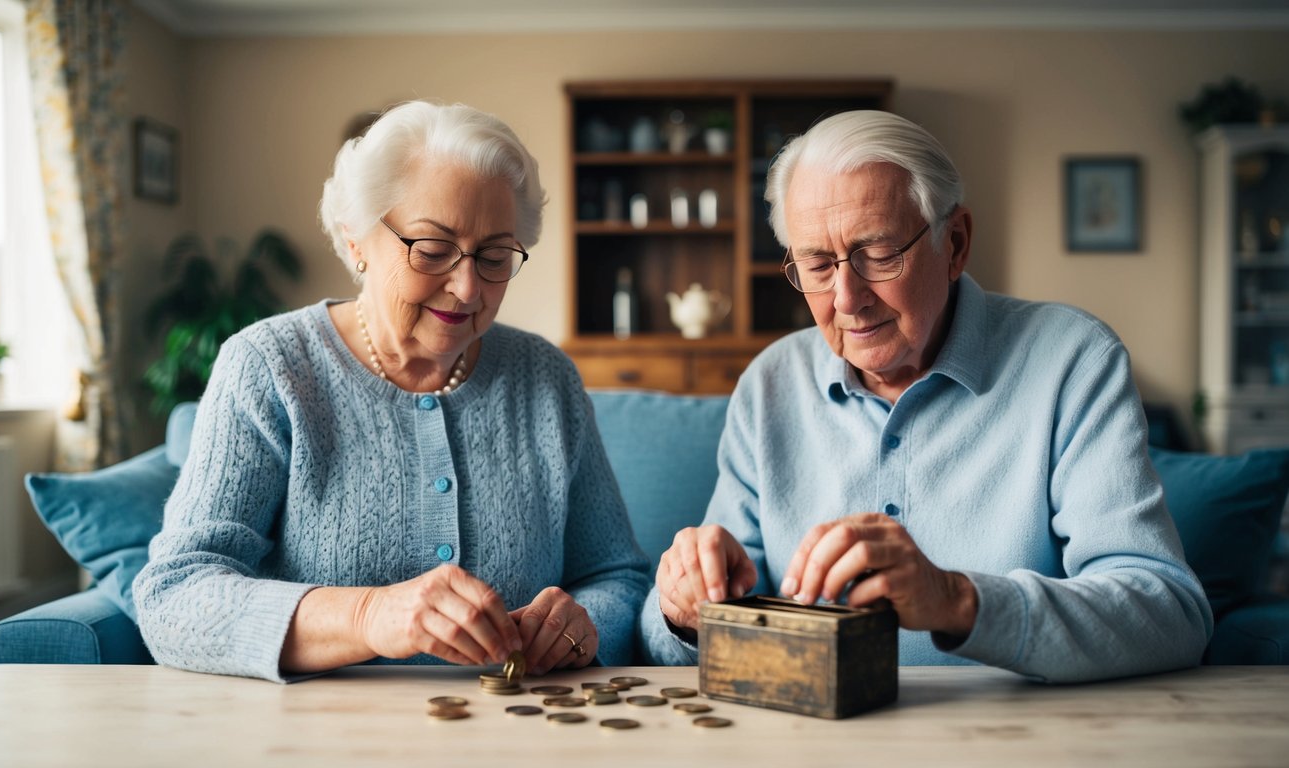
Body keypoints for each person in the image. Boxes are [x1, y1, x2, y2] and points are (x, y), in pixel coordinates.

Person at [640, 110, 1212, 683]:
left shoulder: (1074, 360)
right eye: (816, 264)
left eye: (879, 253)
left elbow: (1169, 612)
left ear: (955, 243)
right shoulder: (770, 385)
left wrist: (957, 601)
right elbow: (691, 633)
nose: (847, 298)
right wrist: (686, 610)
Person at [135, 101, 650, 683]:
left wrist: (581, 627)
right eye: (431, 249)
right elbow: (174, 597)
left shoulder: (545, 378)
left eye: (495, 256)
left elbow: (618, 576)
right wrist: (368, 614)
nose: (466, 287)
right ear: (357, 239)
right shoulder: (269, 368)